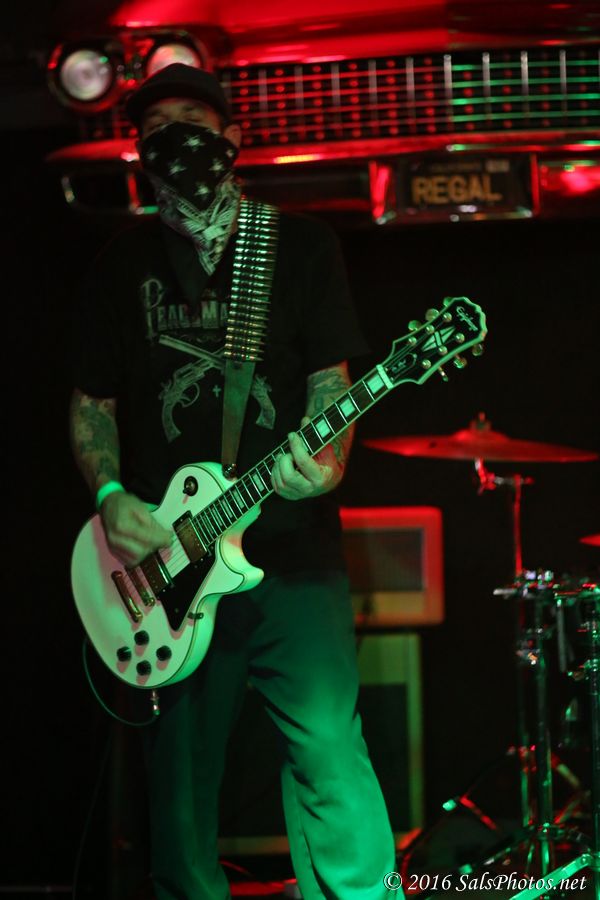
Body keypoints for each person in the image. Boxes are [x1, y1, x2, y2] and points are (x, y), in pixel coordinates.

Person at [69, 63, 400, 900]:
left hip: (292, 553)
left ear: (232, 137)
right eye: (157, 128)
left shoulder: (299, 247)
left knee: (329, 749)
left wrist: (322, 469)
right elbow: (91, 402)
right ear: (138, 151)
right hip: (166, 564)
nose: (176, 137)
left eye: (194, 118)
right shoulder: (121, 264)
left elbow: (331, 383)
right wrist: (110, 498)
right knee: (180, 788)